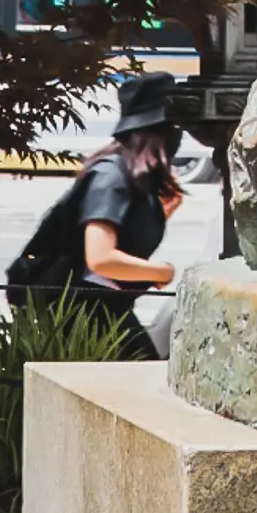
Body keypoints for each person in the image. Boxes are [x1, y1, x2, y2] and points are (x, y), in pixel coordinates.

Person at [69, 71, 185, 359]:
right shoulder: (112, 177)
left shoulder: (135, 180)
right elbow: (100, 258)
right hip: (85, 314)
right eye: (172, 127)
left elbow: (124, 241)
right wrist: (162, 271)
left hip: (105, 309)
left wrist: (161, 212)